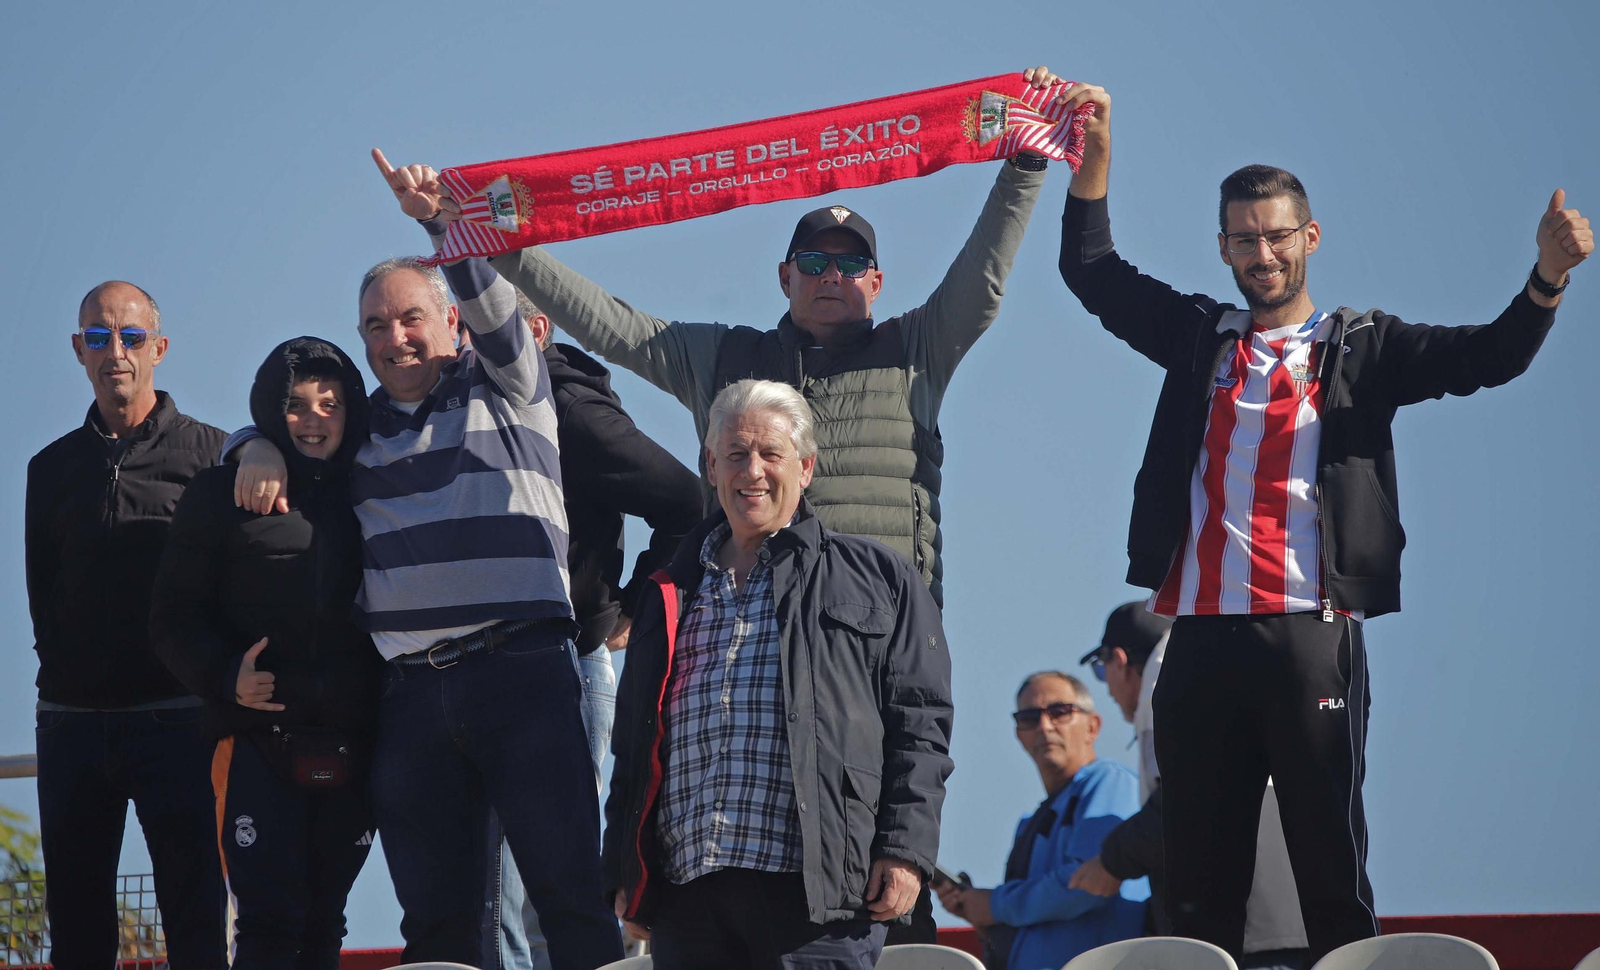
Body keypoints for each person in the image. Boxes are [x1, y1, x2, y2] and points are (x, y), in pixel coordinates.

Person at [1054, 80, 1593, 962]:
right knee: (1195, 891)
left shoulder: (1363, 347)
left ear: (1309, 238)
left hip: (1310, 636)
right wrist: (1096, 158)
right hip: (1198, 636)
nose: (1262, 253)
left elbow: (1489, 357)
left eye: (1277, 235)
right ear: (1222, 246)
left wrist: (1545, 281)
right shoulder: (1198, 336)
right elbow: (1092, 271)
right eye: (1244, 238)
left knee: (1330, 881)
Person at [435, 65, 1066, 617]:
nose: (831, 277)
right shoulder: (728, 359)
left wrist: (1027, 160)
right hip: (748, 624)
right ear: (785, 276)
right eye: (814, 262)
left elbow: (982, 278)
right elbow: (610, 324)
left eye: (850, 267)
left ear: (876, 284)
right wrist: (506, 247)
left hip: (882, 625)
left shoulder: (916, 349)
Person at [226, 228, 622, 963]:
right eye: (376, 325)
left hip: (524, 673)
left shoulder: (509, 383)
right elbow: (283, 420)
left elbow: (499, 310)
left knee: (568, 896)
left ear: (451, 321)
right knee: (436, 925)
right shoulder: (359, 431)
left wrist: (447, 227)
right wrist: (253, 443)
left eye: (410, 317)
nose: (395, 337)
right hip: (410, 698)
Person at [602, 379, 953, 970]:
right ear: (711, 467)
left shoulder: (878, 577)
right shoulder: (668, 590)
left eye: (771, 454)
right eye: (736, 455)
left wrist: (904, 849)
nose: (753, 471)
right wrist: (625, 872)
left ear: (807, 467)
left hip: (816, 898)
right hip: (690, 897)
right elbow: (632, 748)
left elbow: (920, 723)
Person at [485, 293, 705, 970]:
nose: (474, 344)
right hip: (477, 673)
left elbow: (689, 502)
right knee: (502, 900)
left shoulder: (568, 409)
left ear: (538, 330)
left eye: (490, 325)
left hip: (566, 664)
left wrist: (633, 610)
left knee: (529, 898)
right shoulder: (452, 405)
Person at [151, 337, 382, 967]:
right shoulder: (219, 493)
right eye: (297, 406)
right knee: (265, 922)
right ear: (270, 411)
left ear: (350, 411)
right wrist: (228, 677)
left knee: (323, 922)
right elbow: (171, 619)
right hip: (254, 744)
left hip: (354, 747)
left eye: (329, 405)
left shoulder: (376, 489)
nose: (313, 420)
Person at [23, 281, 226, 969]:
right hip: (73, 725)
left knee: (196, 920)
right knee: (78, 933)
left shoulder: (211, 457)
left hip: (177, 719)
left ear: (158, 349)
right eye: (101, 336)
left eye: (132, 337)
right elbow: (41, 596)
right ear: (79, 350)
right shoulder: (48, 470)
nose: (117, 351)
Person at [1071, 603, 1309, 970]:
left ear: (1119, 660)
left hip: (1242, 941)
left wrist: (1111, 860)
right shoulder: (1221, 676)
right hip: (1291, 927)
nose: (1109, 690)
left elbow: (1183, 803)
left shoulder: (1165, 696)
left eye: (1103, 672)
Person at [935, 672, 1145, 970]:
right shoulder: (1030, 824)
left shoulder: (1110, 783)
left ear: (1093, 726)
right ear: (1019, 734)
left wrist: (994, 905)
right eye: (1030, 718)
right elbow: (1039, 917)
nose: (1045, 726)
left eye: (1060, 712)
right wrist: (979, 913)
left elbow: (1086, 888)